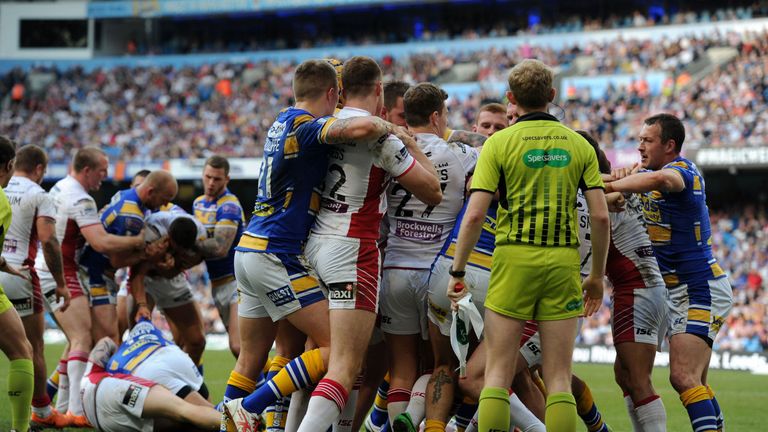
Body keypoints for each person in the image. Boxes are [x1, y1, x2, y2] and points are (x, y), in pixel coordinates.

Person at [221, 58, 417, 431]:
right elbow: (358, 126)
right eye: (336, 98)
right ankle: (252, 405)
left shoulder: (280, 120)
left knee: (251, 358)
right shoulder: (309, 126)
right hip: (276, 253)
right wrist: (391, 127)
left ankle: (232, 421)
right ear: (331, 94)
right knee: (338, 351)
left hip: (248, 248)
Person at [447, 59, 609, 432]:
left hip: (513, 261)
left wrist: (457, 271)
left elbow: (473, 216)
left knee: (497, 375)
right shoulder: (578, 145)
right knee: (558, 380)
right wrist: (597, 276)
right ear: (552, 96)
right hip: (563, 264)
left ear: (511, 99)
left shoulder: (498, 143)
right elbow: (600, 217)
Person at [299, 55, 441, 432]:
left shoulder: (323, 123)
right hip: (352, 249)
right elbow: (432, 192)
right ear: (379, 89)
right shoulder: (380, 135)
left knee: (323, 357)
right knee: (345, 366)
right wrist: (410, 142)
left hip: (312, 246)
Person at [604, 113, 733, 432]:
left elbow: (660, 182)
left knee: (682, 376)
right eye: (639, 140)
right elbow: (613, 198)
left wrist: (606, 182)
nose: (639, 147)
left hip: (700, 288)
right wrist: (609, 188)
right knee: (696, 381)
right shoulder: (644, 172)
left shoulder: (682, 171)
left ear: (669, 145)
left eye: (647, 140)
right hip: (681, 292)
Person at [380, 82, 478, 426]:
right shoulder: (462, 155)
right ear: (437, 116)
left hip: (393, 269)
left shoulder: (390, 148)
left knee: (401, 370)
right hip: (437, 273)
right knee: (442, 366)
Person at [40, 147, 146, 426]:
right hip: (60, 271)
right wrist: (139, 242)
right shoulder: (80, 197)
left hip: (55, 269)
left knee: (76, 339)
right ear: (87, 170)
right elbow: (101, 243)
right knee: (82, 338)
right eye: (102, 170)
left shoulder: (60, 186)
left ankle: (60, 408)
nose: (106, 176)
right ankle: (76, 410)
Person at [0, 145, 71, 428]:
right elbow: (48, 239)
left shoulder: (6, 192)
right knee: (31, 348)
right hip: (21, 276)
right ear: (40, 169)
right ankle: (40, 412)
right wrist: (62, 284)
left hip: (4, 264)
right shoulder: (39, 194)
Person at [81, 337, 221, 432]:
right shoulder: (96, 371)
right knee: (185, 411)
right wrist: (120, 353)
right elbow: (106, 341)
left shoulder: (89, 374)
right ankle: (238, 423)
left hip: (100, 421)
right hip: (113, 391)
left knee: (178, 424)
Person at [193, 155, 245, 358]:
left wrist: (183, 246)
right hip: (216, 284)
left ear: (227, 180)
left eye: (217, 179)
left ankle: (270, 388)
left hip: (238, 281)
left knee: (239, 346)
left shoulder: (229, 205)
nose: (211, 183)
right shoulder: (198, 204)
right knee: (241, 352)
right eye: (208, 177)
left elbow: (220, 248)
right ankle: (270, 385)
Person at [0, 136, 35, 432]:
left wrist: (4, 265)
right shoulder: (1, 200)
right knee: (22, 352)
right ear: (10, 165)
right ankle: (20, 429)